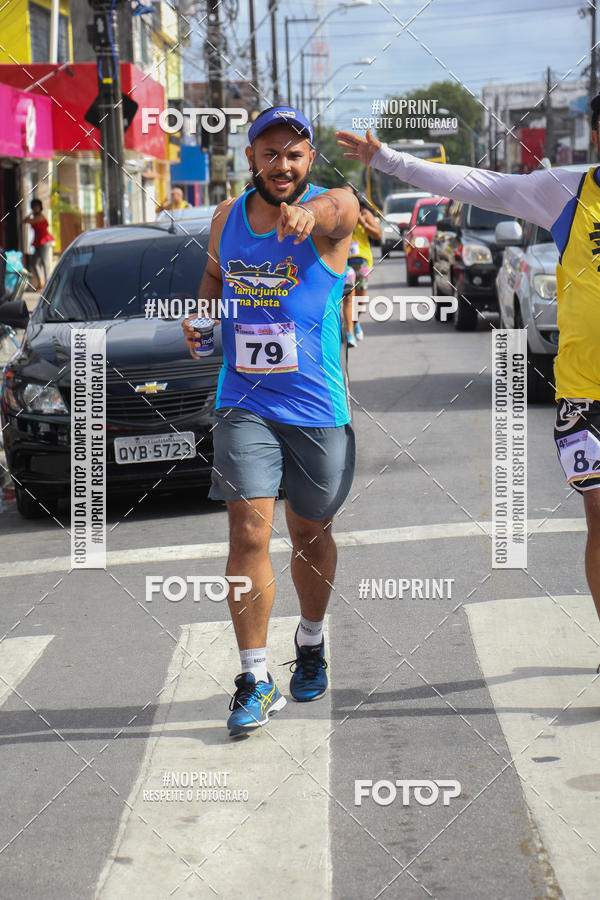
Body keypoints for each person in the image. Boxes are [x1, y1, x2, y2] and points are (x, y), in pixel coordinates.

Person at [336, 97, 600, 644]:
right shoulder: (568, 189)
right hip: (586, 392)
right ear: (597, 135)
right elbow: (479, 184)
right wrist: (387, 160)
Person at [182, 106, 359, 736]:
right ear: (250, 156)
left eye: (293, 153)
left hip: (315, 407)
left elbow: (341, 209)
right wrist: (201, 319)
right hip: (243, 401)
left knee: (310, 535)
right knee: (248, 535)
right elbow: (212, 274)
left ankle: (309, 641)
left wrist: (312, 216)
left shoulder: (333, 210)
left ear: (309, 158)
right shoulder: (227, 217)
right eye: (268, 152)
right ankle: (254, 678)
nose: (280, 165)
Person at [342, 184, 381, 347]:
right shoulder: (338, 215)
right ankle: (350, 333)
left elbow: (377, 234)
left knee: (360, 300)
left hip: (363, 262)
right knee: (348, 298)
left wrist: (362, 222)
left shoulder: (365, 214)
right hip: (345, 263)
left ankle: (356, 323)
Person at [23, 199, 54, 291]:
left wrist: (31, 215)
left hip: (44, 241)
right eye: (33, 207)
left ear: (40, 208)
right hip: (38, 242)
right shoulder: (35, 216)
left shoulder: (40, 216)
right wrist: (31, 213)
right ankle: (41, 282)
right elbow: (25, 220)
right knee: (34, 262)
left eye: (37, 207)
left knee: (44, 262)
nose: (35, 209)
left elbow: (30, 221)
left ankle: (48, 283)